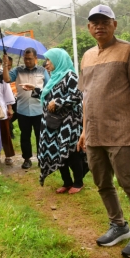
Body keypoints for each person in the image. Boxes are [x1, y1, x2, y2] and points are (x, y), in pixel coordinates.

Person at [77, 4, 130, 258]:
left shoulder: (129, 51)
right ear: (88, 27)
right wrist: (85, 130)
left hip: (122, 131)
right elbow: (86, 96)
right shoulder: (86, 56)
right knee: (102, 183)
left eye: (105, 21)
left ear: (114, 24)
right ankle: (118, 226)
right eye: (94, 22)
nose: (99, 26)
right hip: (95, 132)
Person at [37, 48, 87, 194]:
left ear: (58, 60)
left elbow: (77, 96)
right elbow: (49, 96)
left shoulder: (70, 76)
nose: (47, 63)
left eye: (49, 60)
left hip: (68, 122)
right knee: (56, 151)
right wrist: (35, 91)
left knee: (71, 152)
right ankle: (67, 182)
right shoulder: (54, 77)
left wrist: (58, 102)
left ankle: (78, 182)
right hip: (53, 122)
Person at [3, 48, 50, 169]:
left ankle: (42, 158)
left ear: (35, 58)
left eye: (29, 58)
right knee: (25, 136)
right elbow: (7, 79)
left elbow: (49, 88)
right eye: (25, 58)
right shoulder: (18, 70)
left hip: (39, 109)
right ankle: (27, 159)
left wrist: (35, 89)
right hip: (23, 109)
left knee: (40, 136)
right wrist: (4, 65)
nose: (27, 61)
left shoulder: (42, 70)